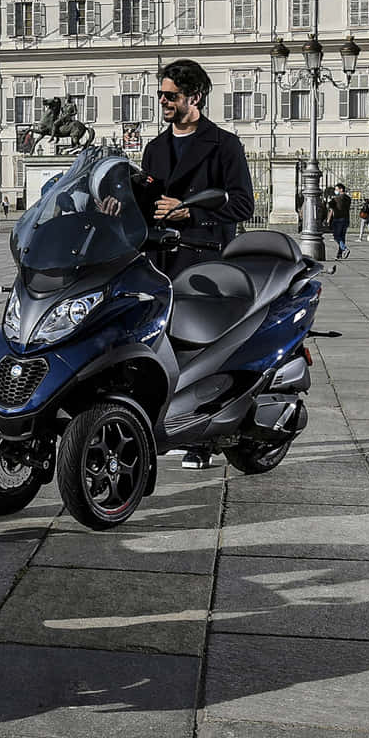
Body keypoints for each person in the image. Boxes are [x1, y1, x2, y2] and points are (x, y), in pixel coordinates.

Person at [140, 58, 254, 469]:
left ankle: (204, 437)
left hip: (204, 260)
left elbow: (243, 203)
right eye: (161, 96)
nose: (164, 103)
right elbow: (146, 199)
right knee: (157, 346)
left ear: (195, 97)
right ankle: (160, 422)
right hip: (158, 260)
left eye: (171, 96)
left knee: (201, 351)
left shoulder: (224, 145)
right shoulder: (154, 149)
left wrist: (192, 213)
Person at [326, 182, 351, 260]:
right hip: (346, 218)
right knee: (342, 237)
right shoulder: (348, 198)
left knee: (336, 236)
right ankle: (339, 254)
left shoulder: (336, 199)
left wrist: (329, 200)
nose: (335, 191)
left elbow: (330, 207)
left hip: (338, 219)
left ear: (341, 189)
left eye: (336, 189)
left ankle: (344, 249)